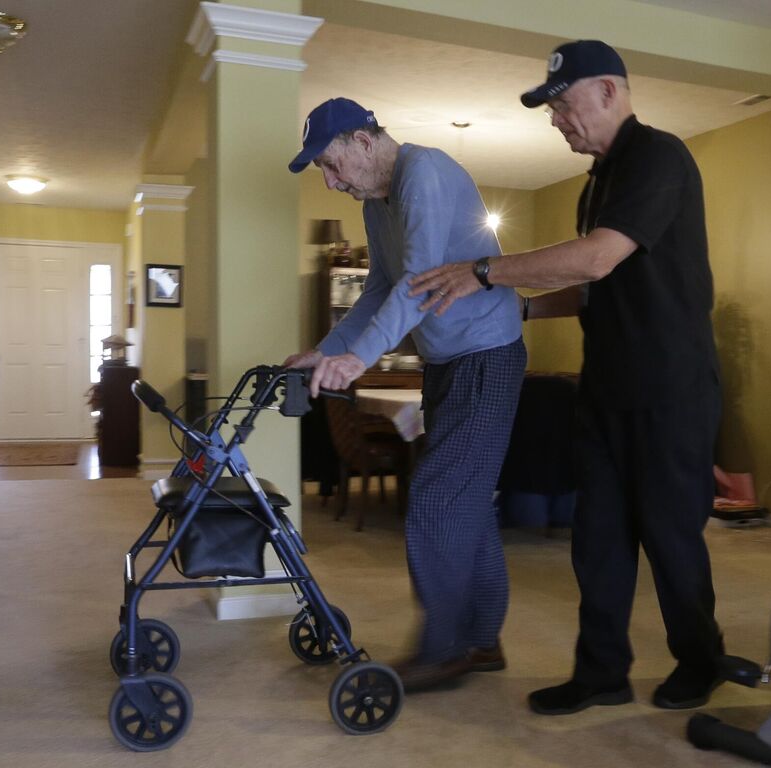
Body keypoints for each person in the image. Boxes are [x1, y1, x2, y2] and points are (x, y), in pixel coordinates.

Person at [409, 39, 727, 715]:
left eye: (562, 102)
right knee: (598, 542)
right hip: (606, 390)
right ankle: (601, 672)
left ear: (609, 91)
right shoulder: (598, 182)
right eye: (551, 107)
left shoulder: (659, 157)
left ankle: (701, 661)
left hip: (671, 392)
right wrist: (512, 308)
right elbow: (588, 290)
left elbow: (595, 261)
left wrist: (485, 271)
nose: (555, 119)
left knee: (671, 537)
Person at [283, 97, 526, 691]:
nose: (332, 181)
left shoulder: (426, 173)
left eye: (333, 165)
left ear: (365, 142)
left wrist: (358, 360)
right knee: (465, 503)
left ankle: (443, 649)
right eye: (322, 173)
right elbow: (379, 290)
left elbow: (417, 284)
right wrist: (327, 348)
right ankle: (481, 640)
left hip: (487, 355)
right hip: (447, 361)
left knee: (439, 499)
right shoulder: (377, 205)